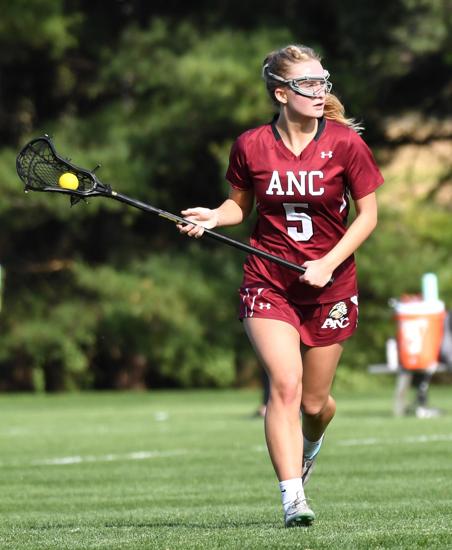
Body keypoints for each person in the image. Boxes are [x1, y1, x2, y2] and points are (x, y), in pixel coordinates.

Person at [178, 44, 383, 528]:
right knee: (285, 386)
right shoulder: (251, 145)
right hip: (267, 281)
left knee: (314, 403)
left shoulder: (345, 145)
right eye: (307, 83)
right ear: (280, 93)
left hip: (331, 287)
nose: (319, 91)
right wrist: (214, 217)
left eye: (322, 81)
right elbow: (239, 206)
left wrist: (328, 263)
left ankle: (312, 443)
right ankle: (294, 498)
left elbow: (368, 216)